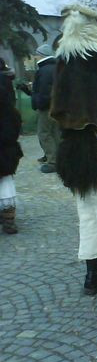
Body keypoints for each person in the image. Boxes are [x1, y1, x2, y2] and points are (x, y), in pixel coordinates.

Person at [0, 61, 23, 234]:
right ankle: (8, 219)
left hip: (5, 144)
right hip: (5, 145)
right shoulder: (9, 109)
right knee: (5, 179)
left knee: (5, 178)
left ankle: (8, 219)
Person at [32, 44, 61, 173]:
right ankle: (60, 159)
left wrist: (39, 104)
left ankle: (53, 161)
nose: (35, 56)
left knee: (44, 133)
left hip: (47, 107)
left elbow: (44, 91)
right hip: (56, 106)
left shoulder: (44, 70)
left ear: (42, 55)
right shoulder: (55, 67)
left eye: (37, 54)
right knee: (55, 133)